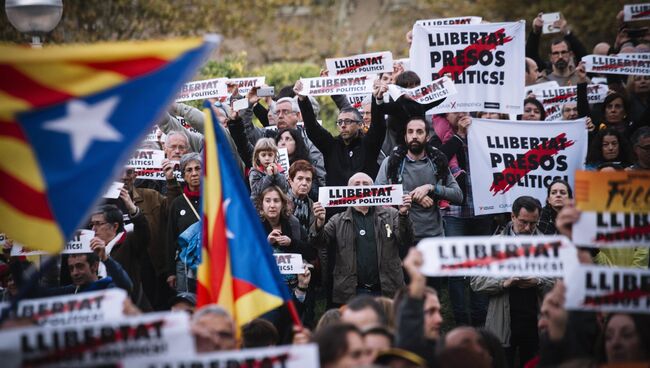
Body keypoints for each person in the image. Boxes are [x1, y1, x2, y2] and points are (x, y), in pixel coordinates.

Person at [471, 196, 554, 368]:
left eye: (533, 223)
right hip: (502, 322)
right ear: (513, 216)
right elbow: (476, 282)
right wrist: (503, 282)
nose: (528, 228)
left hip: (535, 323)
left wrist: (538, 281)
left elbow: (560, 283)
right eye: (523, 222)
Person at [310, 172, 413, 305]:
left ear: (374, 189)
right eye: (356, 184)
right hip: (353, 293)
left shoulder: (391, 215)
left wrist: (403, 215)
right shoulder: (337, 220)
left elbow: (406, 239)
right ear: (348, 191)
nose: (361, 187)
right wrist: (319, 222)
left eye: (365, 184)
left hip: (387, 290)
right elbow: (318, 242)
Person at [376, 117, 463, 241]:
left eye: (419, 132)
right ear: (405, 137)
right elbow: (378, 195)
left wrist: (431, 188)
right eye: (410, 132)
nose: (414, 136)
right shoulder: (391, 162)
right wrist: (415, 196)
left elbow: (458, 196)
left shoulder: (438, 161)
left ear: (427, 137)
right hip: (401, 235)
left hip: (434, 237)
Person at [295, 80, 387, 187]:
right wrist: (303, 100)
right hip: (338, 203)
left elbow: (378, 126)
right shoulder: (331, 146)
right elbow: (312, 128)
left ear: (360, 124)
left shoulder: (369, 144)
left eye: (348, 121)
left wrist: (377, 99)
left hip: (365, 202)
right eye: (340, 122)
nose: (343, 125)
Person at [119, 162, 182, 310]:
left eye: (128, 173)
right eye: (119, 172)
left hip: (153, 268)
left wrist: (171, 180)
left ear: (135, 176)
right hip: (122, 268)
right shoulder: (103, 203)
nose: (123, 177)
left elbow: (174, 211)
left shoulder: (150, 196)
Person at [88, 203, 150, 310]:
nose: (93, 229)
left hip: (132, 309)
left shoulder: (129, 241)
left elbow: (143, 233)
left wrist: (134, 211)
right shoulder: (91, 250)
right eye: (92, 224)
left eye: (98, 224)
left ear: (115, 226)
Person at [394, 248, 443, 367]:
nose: (439, 319)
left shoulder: (446, 358)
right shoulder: (394, 360)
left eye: (439, 311)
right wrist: (418, 280)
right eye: (430, 312)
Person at [166, 153, 202, 293]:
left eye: (198, 168)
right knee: (187, 305)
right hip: (185, 264)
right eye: (189, 170)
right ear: (183, 175)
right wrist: (171, 272)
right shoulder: (178, 203)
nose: (194, 173)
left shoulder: (215, 197)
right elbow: (170, 237)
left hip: (212, 262)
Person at [276, 128, 325, 199]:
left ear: (297, 143)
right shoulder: (270, 165)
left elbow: (315, 194)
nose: (283, 143)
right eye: (280, 139)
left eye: (288, 139)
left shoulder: (306, 166)